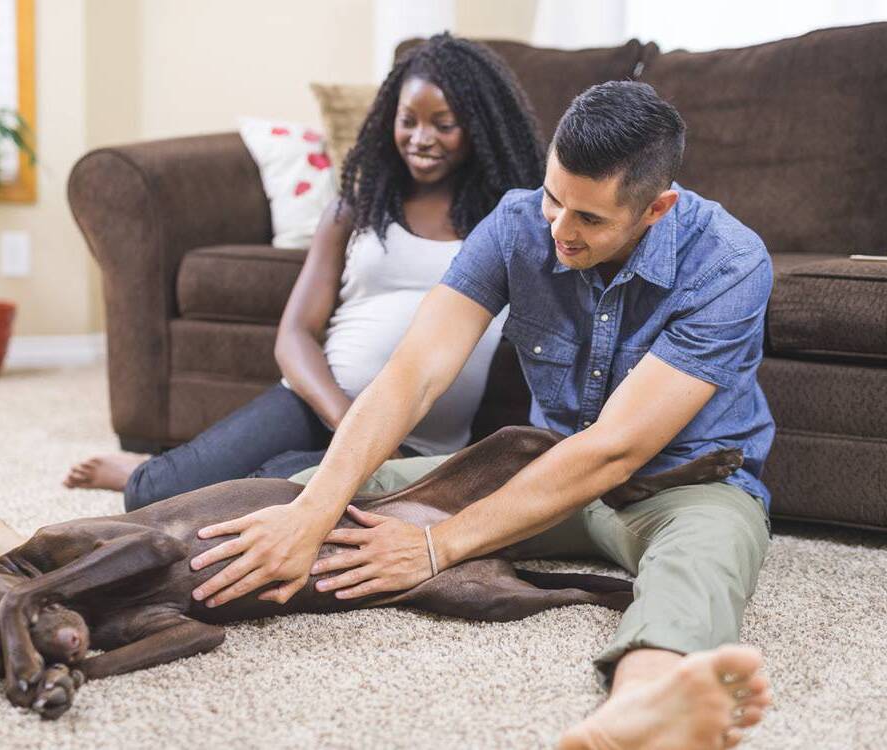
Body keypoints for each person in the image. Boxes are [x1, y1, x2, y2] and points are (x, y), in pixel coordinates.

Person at [182, 81, 775, 749]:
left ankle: (643, 708)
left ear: (657, 208)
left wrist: (438, 546)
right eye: (554, 198)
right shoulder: (516, 224)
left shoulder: (729, 262)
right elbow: (413, 375)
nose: (560, 231)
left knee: (704, 559)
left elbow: (615, 450)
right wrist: (313, 510)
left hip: (682, 485)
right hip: (544, 471)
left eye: (590, 218)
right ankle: (90, 566)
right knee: (323, 490)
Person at [61, 32, 544, 511]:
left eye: (444, 124)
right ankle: (142, 472)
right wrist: (347, 419)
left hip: (419, 442)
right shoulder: (356, 209)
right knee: (156, 496)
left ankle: (198, 468)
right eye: (408, 120)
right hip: (318, 404)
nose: (421, 139)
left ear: (480, 128)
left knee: (257, 498)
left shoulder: (508, 223)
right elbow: (295, 333)